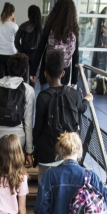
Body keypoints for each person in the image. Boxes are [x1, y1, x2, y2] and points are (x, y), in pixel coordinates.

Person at [33, 50, 93, 182]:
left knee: (44, 181)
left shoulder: (42, 97)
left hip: (47, 153)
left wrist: (32, 149)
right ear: (63, 73)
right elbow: (82, 109)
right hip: (68, 151)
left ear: (45, 73)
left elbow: (38, 127)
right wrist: (87, 99)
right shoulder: (74, 94)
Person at [0, 53, 35, 164]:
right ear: (25, 70)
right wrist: (29, 151)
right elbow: (28, 123)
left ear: (7, 68)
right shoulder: (28, 90)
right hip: (17, 140)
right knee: (15, 174)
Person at [30, 0, 79, 90]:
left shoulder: (50, 26)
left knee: (46, 97)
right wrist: (74, 79)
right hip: (63, 73)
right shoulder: (74, 30)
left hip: (47, 71)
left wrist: (33, 71)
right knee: (60, 101)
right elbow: (76, 55)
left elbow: (40, 49)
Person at [15, 5, 42, 85]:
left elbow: (16, 40)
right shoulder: (41, 28)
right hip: (35, 54)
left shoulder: (23, 26)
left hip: (24, 53)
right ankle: (32, 94)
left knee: (23, 77)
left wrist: (20, 50)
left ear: (29, 14)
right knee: (33, 76)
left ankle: (23, 94)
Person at [0, 2, 18, 80]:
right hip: (11, 54)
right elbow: (16, 41)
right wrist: (14, 23)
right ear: (12, 13)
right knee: (10, 79)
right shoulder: (14, 26)